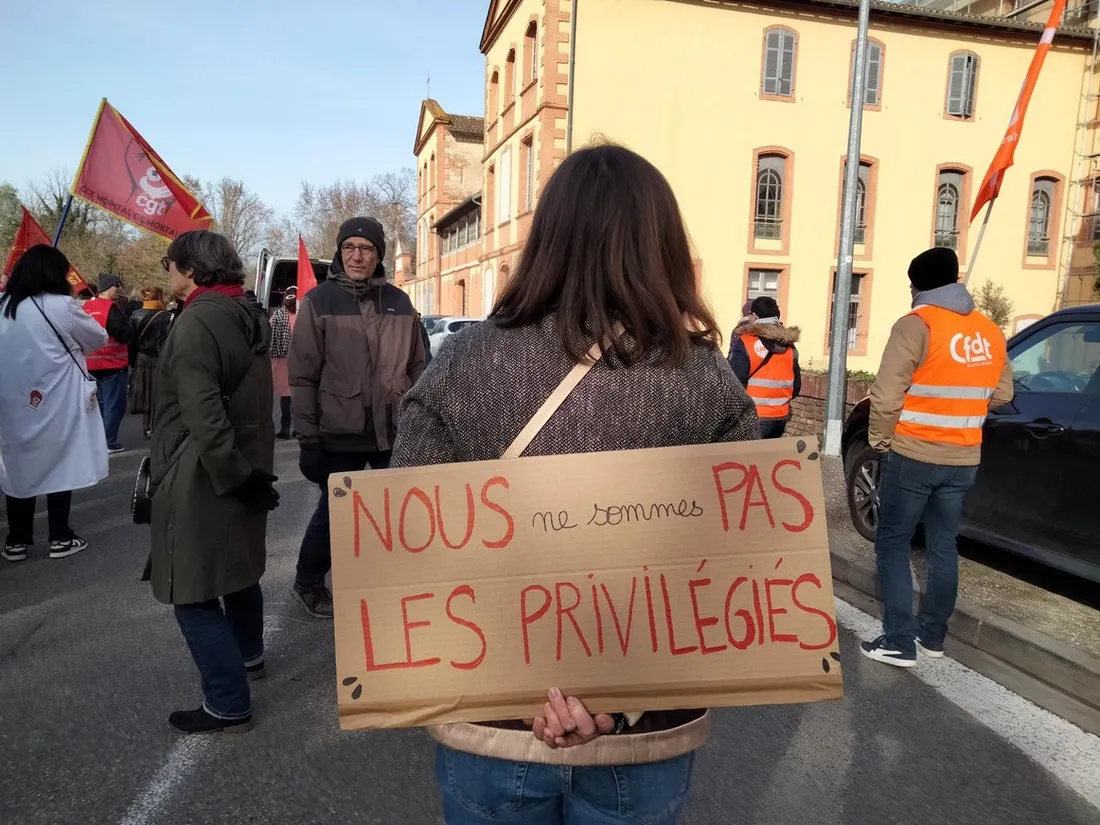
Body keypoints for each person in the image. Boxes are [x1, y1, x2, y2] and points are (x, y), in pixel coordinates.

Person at [390, 144, 759, 825]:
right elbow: (736, 567)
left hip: (490, 724)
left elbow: (412, 548)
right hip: (645, 738)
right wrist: (615, 701)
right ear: (661, 244)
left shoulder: (463, 363)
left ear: (548, 239)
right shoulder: (707, 380)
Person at [148, 229, 279, 734]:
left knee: (193, 589)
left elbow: (202, 414)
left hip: (205, 471)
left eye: (170, 264)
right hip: (241, 463)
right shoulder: (248, 312)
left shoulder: (200, 320)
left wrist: (235, 477)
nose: (168, 273)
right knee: (239, 572)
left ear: (191, 270)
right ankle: (249, 657)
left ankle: (228, 703)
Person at [861, 248, 1013, 668]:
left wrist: (880, 441)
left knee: (892, 542)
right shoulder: (989, 330)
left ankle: (898, 641)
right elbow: (1003, 394)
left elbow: (887, 395)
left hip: (914, 451)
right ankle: (932, 637)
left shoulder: (916, 324)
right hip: (964, 456)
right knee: (943, 544)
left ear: (919, 285)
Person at [288, 217, 427, 618]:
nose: (356, 255)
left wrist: (421, 421)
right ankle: (308, 581)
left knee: (396, 516)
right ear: (339, 251)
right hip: (339, 431)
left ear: (379, 254)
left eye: (366, 248)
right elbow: (302, 377)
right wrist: (308, 440)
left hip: (393, 432)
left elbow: (419, 367)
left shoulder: (400, 302)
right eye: (349, 247)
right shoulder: (319, 302)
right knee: (333, 516)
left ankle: (387, 583)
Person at [0, 245, 108, 561]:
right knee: (62, 462)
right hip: (59, 401)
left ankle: (17, 540)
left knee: (18, 465)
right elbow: (97, 339)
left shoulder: (4, 306)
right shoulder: (63, 306)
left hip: (14, 402)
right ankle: (60, 536)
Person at [727, 295, 801, 438]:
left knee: (749, 459)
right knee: (769, 459)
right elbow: (796, 386)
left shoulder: (745, 342)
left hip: (754, 416)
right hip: (780, 417)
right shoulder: (790, 347)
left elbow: (735, 383)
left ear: (754, 316)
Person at [83, 273, 134, 453]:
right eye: (116, 287)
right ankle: (108, 442)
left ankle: (97, 440)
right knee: (114, 404)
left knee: (100, 404)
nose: (117, 290)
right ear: (110, 287)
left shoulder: (86, 306)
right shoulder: (110, 308)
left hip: (90, 363)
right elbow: (123, 333)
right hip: (112, 362)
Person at [128, 286, 174, 438]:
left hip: (142, 358)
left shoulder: (136, 315)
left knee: (144, 393)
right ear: (160, 296)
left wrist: (131, 360)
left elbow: (131, 341)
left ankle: (146, 426)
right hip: (160, 357)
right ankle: (156, 425)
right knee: (157, 393)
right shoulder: (168, 316)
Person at [269, 287, 296, 439]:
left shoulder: (278, 315)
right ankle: (298, 429)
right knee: (299, 397)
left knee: (285, 397)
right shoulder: (303, 313)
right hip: (299, 360)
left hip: (281, 360)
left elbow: (269, 331)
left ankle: (285, 429)